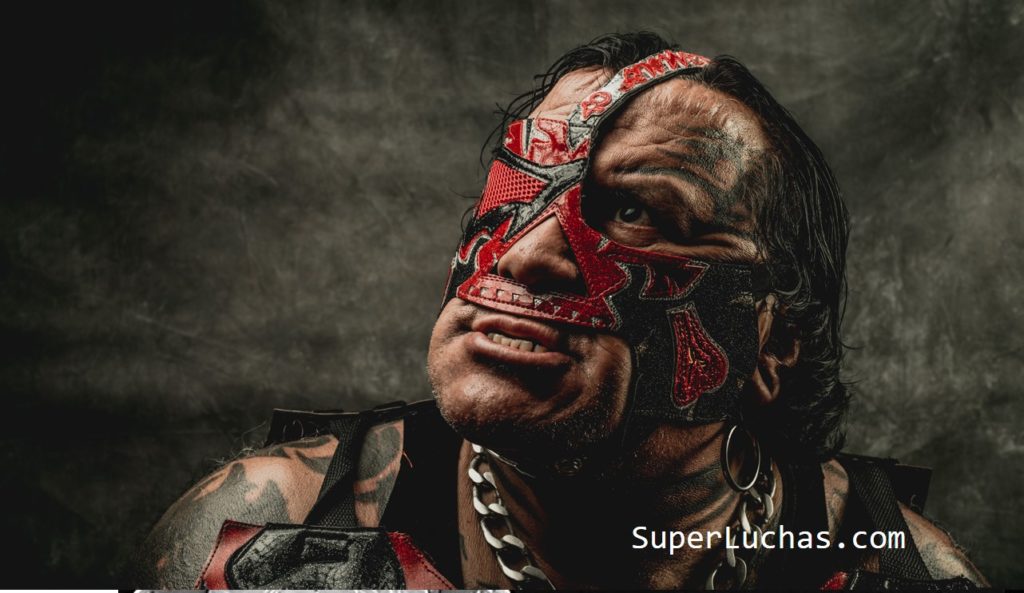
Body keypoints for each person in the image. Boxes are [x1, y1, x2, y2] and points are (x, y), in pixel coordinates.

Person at [134, 32, 987, 590]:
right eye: (520, 192)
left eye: (638, 212)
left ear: (774, 341)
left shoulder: (897, 568)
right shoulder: (260, 538)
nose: (526, 254)